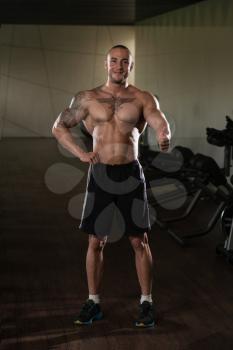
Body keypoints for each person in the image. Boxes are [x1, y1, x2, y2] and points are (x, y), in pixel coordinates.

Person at [52, 44, 171, 328]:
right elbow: (58, 126)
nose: (119, 66)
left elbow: (159, 119)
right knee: (95, 241)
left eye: (124, 62)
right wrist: (81, 153)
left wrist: (164, 134)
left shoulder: (142, 97)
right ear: (106, 64)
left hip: (130, 174)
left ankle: (147, 303)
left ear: (131, 66)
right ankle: (93, 302)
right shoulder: (88, 98)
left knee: (139, 241)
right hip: (101, 174)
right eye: (114, 61)